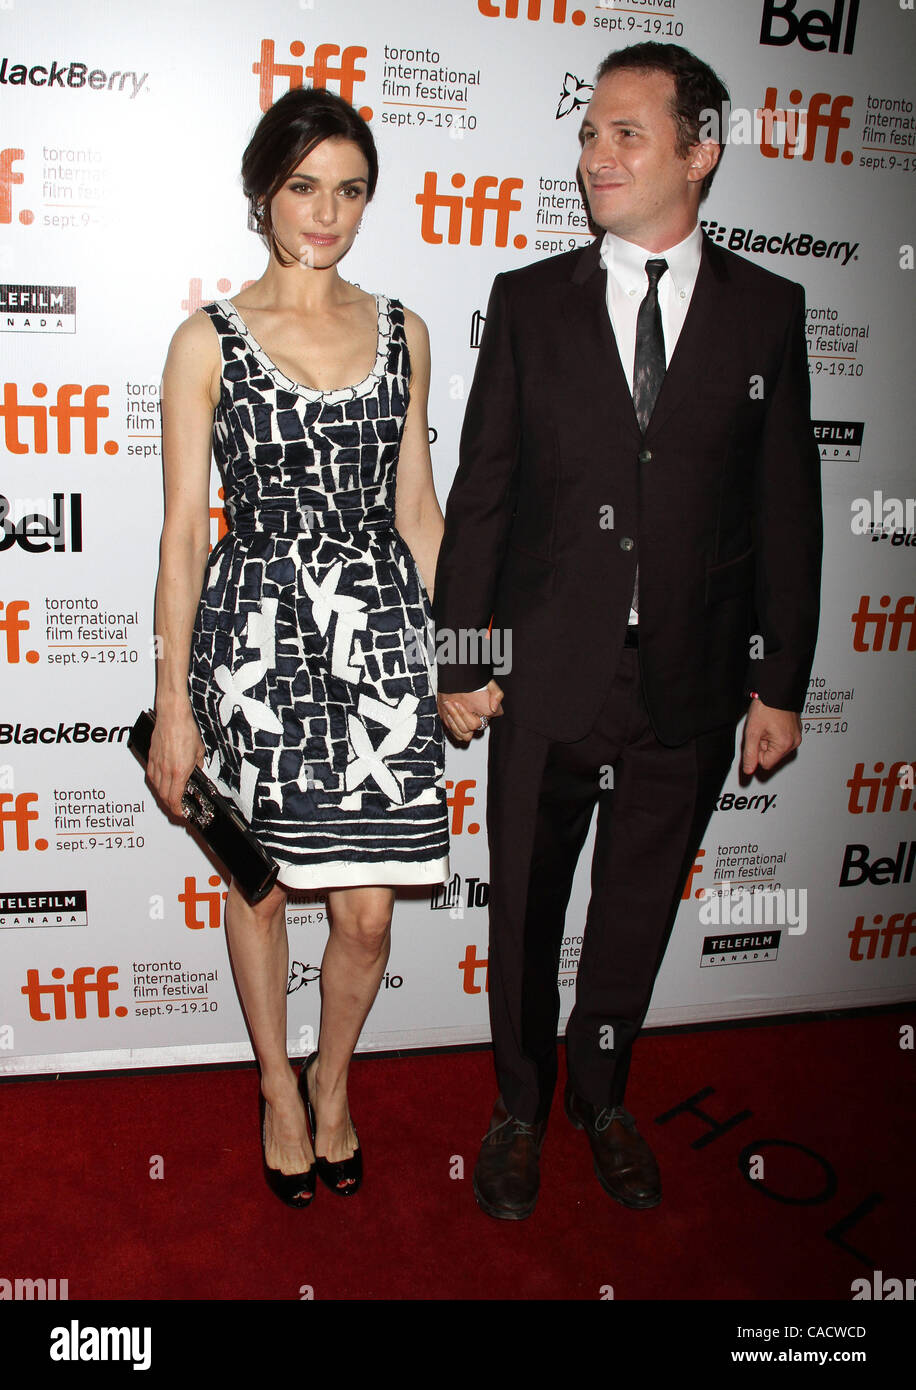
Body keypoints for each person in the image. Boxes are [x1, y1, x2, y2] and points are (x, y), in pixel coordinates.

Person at [433, 42, 822, 1220]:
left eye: (625, 133)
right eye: (590, 132)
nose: (596, 153)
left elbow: (786, 510)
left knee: (635, 914)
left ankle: (601, 1094)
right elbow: (485, 496)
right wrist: (464, 657)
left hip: (689, 689)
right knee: (524, 908)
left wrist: (781, 681)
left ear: (700, 152)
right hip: (546, 681)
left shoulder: (766, 311)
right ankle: (516, 1104)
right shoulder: (528, 299)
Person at [148, 87, 449, 1207]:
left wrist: (461, 656)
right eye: (305, 187)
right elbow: (183, 535)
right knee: (264, 887)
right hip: (254, 641)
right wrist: (172, 702)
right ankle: (278, 1083)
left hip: (373, 640)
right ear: (263, 192)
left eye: (351, 190)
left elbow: (421, 515)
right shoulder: (206, 340)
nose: (327, 213)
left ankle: (336, 1075)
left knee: (366, 912)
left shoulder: (404, 329)